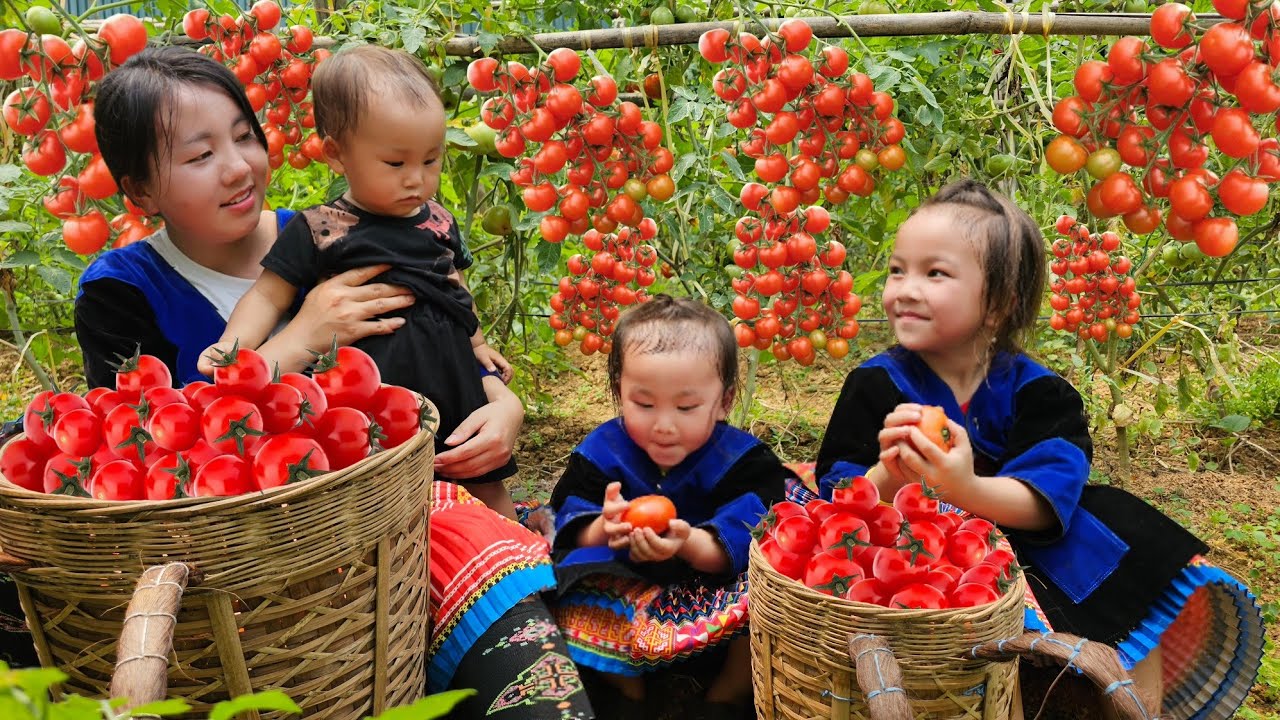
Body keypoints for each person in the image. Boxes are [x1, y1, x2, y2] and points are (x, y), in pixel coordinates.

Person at [45, 46, 594, 719]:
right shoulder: (122, 290)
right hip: (257, 571)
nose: (239, 166)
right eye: (199, 155)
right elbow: (143, 458)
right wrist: (299, 339)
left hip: (411, 504)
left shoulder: (338, 232)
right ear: (138, 191)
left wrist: (502, 402)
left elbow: (443, 324)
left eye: (245, 137)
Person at [813, 179, 1264, 720]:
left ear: (1001, 304)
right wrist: (889, 474)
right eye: (896, 269)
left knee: (1130, 596)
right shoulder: (874, 385)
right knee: (984, 670)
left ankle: (1141, 708)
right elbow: (841, 496)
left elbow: (1046, 494)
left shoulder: (1039, 393)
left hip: (1030, 542)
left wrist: (966, 487)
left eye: (934, 273)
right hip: (914, 552)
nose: (904, 289)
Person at [196, 45, 516, 520]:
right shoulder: (322, 228)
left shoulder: (439, 221)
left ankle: (521, 570)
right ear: (336, 155)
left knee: (482, 481)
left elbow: (454, 283)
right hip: (370, 385)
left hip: (450, 373)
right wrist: (231, 346)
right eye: (396, 163)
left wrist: (477, 342)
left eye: (431, 161)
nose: (417, 180)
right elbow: (267, 293)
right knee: (381, 500)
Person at [548, 295, 792, 720]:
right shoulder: (602, 452)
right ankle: (628, 691)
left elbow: (760, 523)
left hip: (715, 594)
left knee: (773, 584)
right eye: (643, 404)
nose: (663, 424)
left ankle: (727, 695)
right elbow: (565, 519)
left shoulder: (744, 460)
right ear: (618, 392)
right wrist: (603, 529)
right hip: (624, 588)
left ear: (724, 401)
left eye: (686, 407)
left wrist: (691, 543)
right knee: (555, 581)